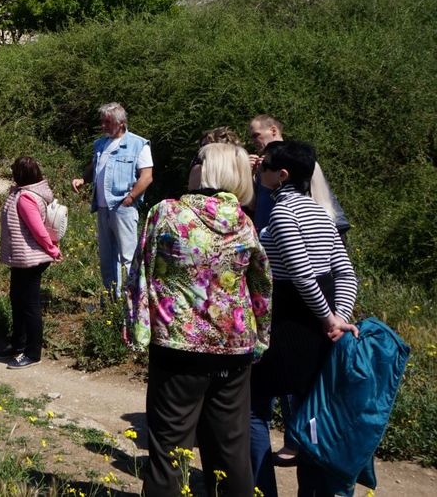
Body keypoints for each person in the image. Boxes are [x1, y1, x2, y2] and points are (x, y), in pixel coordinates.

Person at [127, 143, 272, 497]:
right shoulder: (244, 223)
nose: (190, 164)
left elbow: (140, 273)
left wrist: (138, 329)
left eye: (196, 159)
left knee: (168, 452)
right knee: (230, 453)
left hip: (178, 347)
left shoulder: (167, 213)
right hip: (233, 350)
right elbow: (261, 288)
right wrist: (261, 339)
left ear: (208, 169)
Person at [250, 140, 358, 497]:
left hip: (289, 325)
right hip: (319, 332)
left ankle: (261, 489)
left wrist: (329, 318)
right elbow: (345, 274)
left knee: (253, 407)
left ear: (281, 175)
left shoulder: (283, 213)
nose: (259, 168)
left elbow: (301, 275)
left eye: (264, 165)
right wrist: (339, 317)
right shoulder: (319, 213)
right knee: (311, 414)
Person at [71, 102, 154, 296]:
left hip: (122, 207)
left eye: (107, 122)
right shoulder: (101, 143)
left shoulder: (138, 144)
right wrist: (83, 179)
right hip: (102, 207)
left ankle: (132, 297)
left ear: (121, 123)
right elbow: (95, 166)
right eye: (102, 121)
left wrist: (131, 197)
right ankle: (111, 297)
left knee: (128, 255)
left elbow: (147, 176)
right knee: (107, 256)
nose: (103, 126)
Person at [0, 156, 61, 368]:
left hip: (32, 258)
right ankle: (18, 343)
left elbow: (38, 229)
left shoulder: (25, 197)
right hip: (23, 257)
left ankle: (32, 353)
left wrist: (52, 250)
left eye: (15, 171)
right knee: (17, 298)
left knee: (29, 304)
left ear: (21, 174)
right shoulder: (24, 193)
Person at [247, 115, 348, 238]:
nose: (253, 141)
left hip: (298, 235)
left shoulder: (298, 159)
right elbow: (254, 204)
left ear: (273, 131)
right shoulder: (260, 167)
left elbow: (322, 198)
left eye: (256, 135)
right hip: (267, 238)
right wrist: (249, 174)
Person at [186, 126, 244, 191]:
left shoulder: (241, 168)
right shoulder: (199, 170)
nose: (202, 150)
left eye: (206, 145)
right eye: (202, 146)